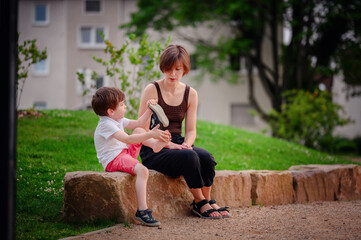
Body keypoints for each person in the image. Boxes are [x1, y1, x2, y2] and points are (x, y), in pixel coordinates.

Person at [138, 44, 230, 219]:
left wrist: (187, 144)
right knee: (190, 157)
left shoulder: (190, 93)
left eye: (177, 69)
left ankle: (207, 200)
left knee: (206, 157)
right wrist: (169, 145)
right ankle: (200, 202)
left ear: (185, 69)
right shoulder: (152, 90)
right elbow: (140, 130)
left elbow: (191, 130)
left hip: (179, 144)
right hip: (154, 147)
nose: (173, 74)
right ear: (163, 68)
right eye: (168, 69)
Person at [91, 86, 171, 227]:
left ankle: (154, 145)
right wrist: (151, 134)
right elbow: (127, 140)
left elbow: (139, 124)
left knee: (139, 129)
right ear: (110, 111)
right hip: (114, 160)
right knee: (142, 171)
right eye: (121, 104)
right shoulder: (106, 124)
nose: (125, 106)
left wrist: (149, 110)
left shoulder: (118, 119)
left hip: (124, 153)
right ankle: (142, 211)